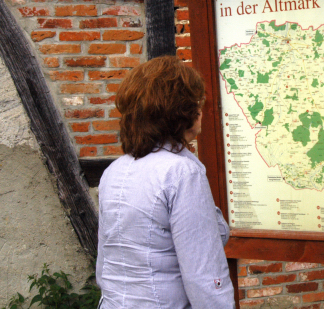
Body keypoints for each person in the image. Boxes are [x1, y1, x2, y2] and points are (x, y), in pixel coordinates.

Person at [96, 56, 235, 308]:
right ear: (179, 111)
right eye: (195, 103)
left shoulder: (115, 170)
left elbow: (105, 264)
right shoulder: (180, 173)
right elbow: (204, 276)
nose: (201, 110)